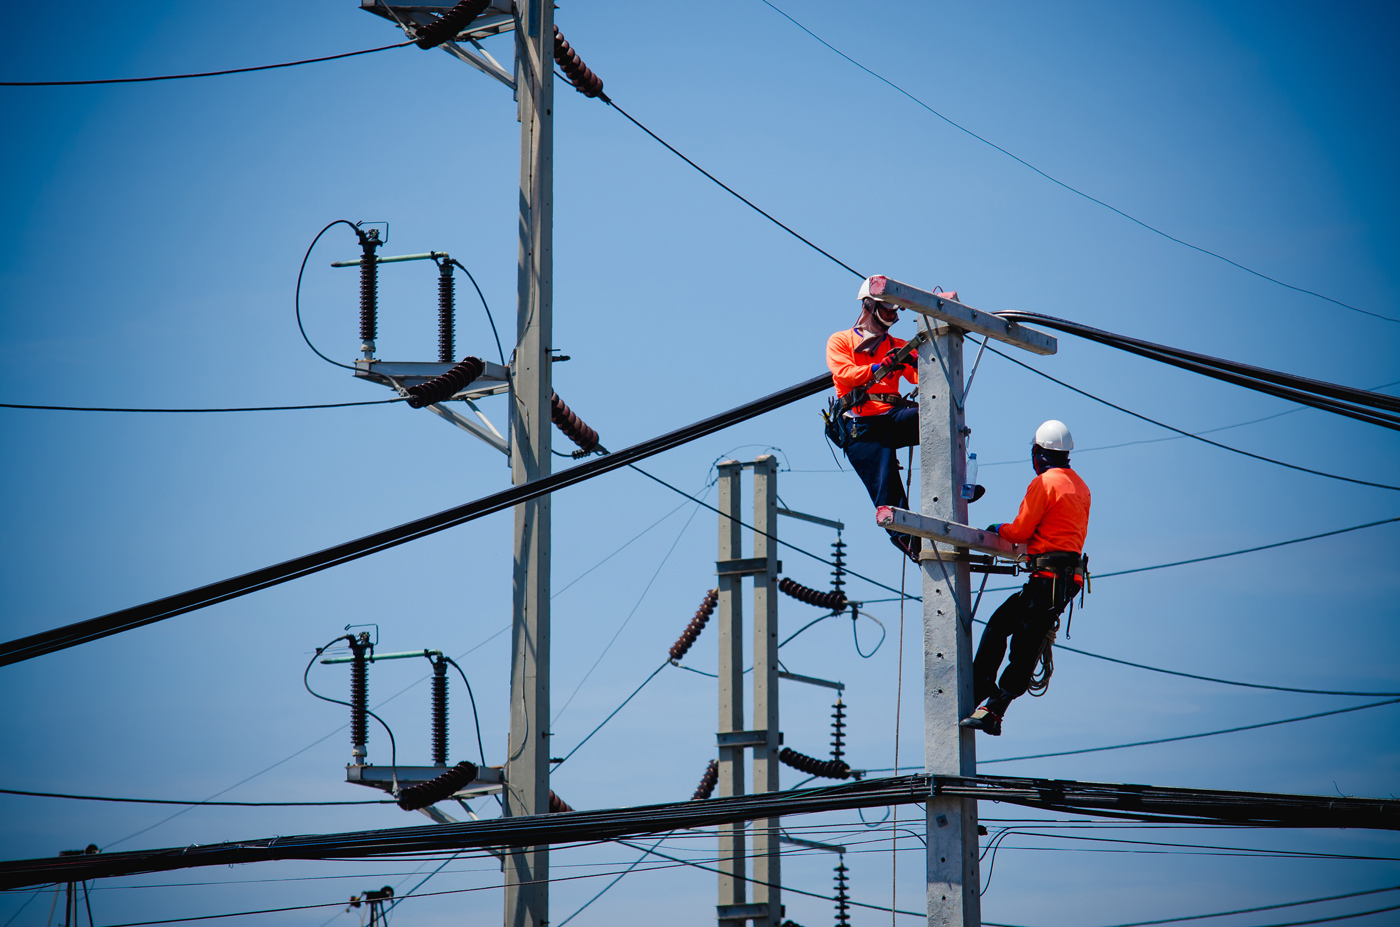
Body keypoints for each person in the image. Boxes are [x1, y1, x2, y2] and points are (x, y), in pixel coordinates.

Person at [826, 278, 980, 561]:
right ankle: (913, 545)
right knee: (889, 492)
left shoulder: (897, 345)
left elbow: (924, 378)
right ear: (869, 306)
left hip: (892, 417)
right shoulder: (841, 340)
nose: (893, 317)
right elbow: (844, 374)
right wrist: (877, 367)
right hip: (862, 427)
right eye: (887, 311)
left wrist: (921, 362)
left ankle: (959, 487)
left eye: (896, 312)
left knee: (939, 420)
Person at [962, 420, 1090, 736]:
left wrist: (997, 531)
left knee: (1006, 633)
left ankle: (986, 699)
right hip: (1064, 582)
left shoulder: (1045, 483)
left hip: (1047, 580)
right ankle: (990, 704)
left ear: (1039, 453)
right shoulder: (1081, 486)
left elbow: (1020, 531)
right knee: (1020, 641)